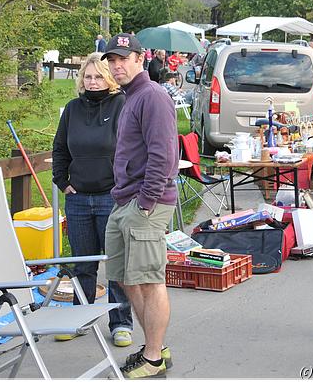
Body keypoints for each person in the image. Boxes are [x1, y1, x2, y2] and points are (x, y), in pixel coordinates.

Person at [102, 33, 178, 378]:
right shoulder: (130, 96)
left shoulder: (153, 96)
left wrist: (146, 202)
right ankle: (155, 347)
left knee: (148, 280)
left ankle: (152, 358)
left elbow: (163, 155)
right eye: (112, 60)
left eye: (123, 58)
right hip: (125, 199)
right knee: (125, 279)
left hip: (146, 202)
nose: (117, 65)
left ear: (139, 58)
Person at [51, 52, 134, 348]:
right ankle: (81, 318)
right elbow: (59, 149)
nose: (93, 81)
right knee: (83, 263)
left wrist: (124, 186)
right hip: (78, 199)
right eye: (88, 76)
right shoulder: (72, 109)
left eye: (99, 76)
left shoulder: (122, 104)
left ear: (109, 78)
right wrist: (63, 182)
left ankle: (121, 323)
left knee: (115, 265)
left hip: (111, 197)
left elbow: (132, 148)